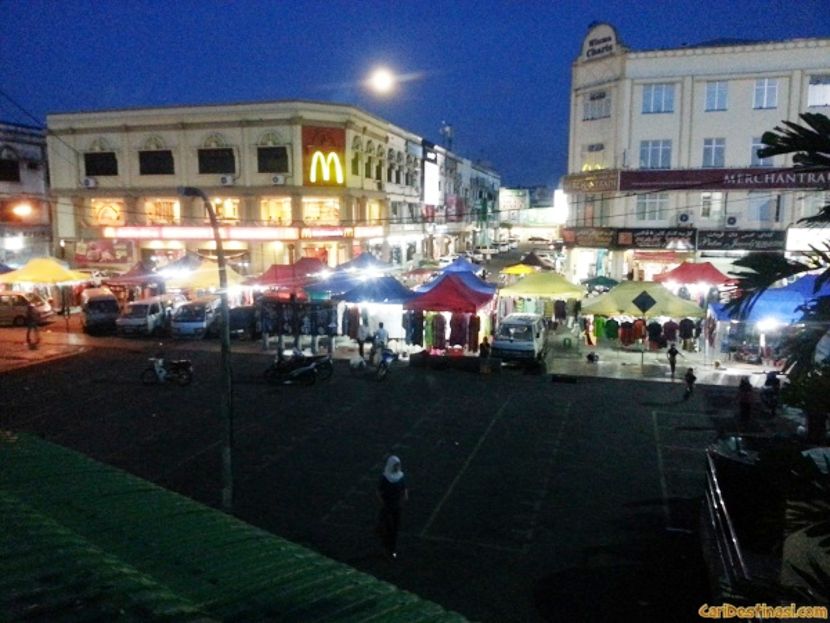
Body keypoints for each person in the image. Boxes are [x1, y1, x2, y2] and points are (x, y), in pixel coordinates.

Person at [376, 455, 408, 560]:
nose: (397, 467)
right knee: (387, 527)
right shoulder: (385, 478)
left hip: (396, 506)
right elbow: (379, 492)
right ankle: (386, 549)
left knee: (395, 528)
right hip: (388, 505)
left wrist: (404, 498)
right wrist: (383, 503)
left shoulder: (400, 476)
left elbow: (404, 489)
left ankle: (391, 549)